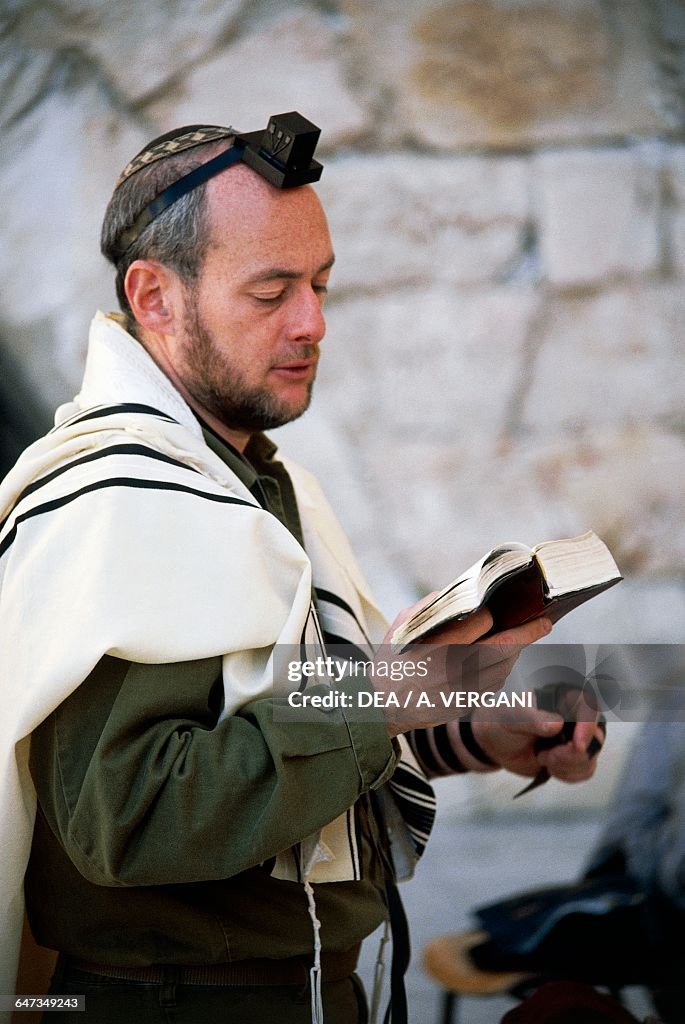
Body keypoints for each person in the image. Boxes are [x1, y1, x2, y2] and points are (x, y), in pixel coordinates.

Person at [0, 118, 605, 1024]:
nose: (312, 321)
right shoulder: (120, 502)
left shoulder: (254, 482)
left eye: (319, 284)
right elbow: (130, 820)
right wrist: (387, 693)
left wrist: (469, 734)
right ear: (155, 297)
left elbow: (272, 731)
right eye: (271, 291)